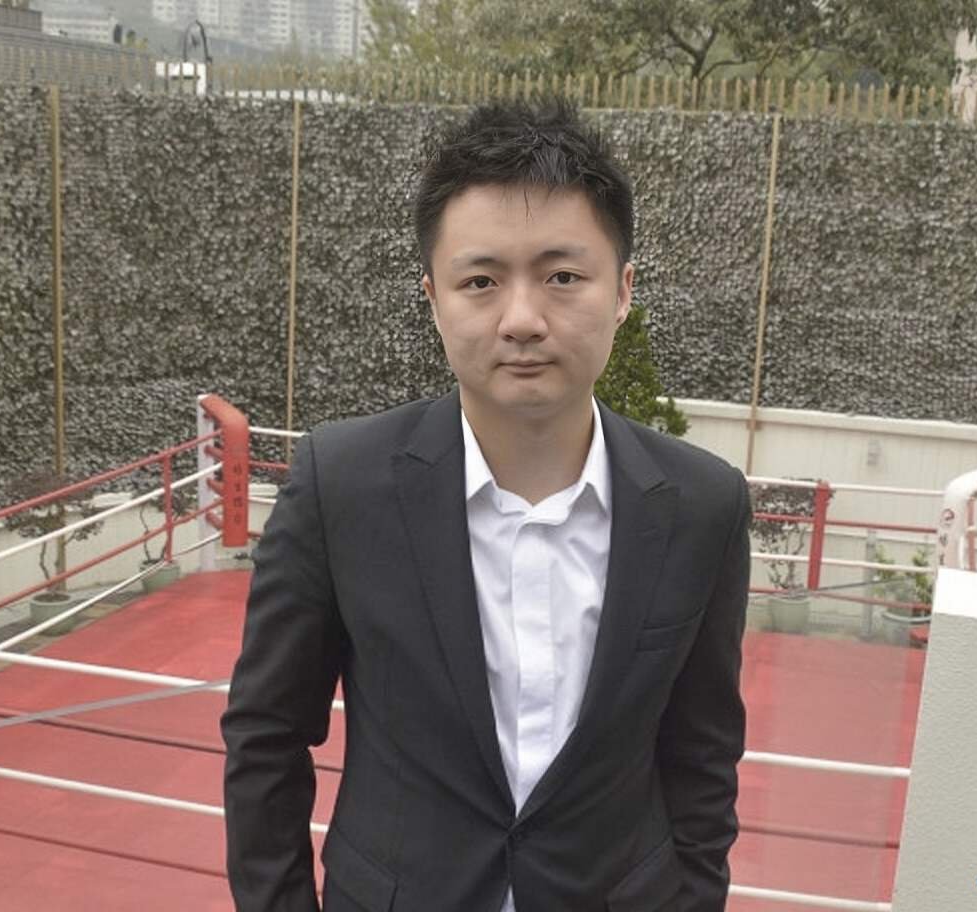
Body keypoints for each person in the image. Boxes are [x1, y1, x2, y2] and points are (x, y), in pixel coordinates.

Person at [221, 96, 750, 912]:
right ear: (433, 297)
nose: (523, 319)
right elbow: (267, 736)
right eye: (481, 281)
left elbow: (702, 757)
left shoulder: (702, 506)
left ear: (622, 291)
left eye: (563, 276)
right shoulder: (341, 487)